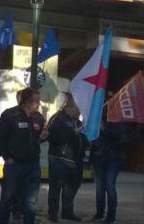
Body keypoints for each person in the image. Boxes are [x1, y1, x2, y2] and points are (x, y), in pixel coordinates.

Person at [0, 88, 46, 224]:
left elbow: (38, 138)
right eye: (36, 101)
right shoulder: (10, 115)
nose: (39, 104)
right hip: (14, 164)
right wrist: (7, 157)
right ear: (28, 101)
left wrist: (44, 137)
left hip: (33, 164)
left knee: (31, 200)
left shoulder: (38, 117)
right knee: (7, 197)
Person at [45, 93, 87, 222]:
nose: (80, 111)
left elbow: (82, 140)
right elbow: (50, 136)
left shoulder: (78, 122)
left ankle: (67, 212)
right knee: (56, 187)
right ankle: (53, 213)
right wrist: (72, 133)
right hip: (59, 159)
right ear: (71, 107)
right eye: (78, 108)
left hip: (76, 160)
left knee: (71, 187)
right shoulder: (58, 118)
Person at [92, 113, 128, 224]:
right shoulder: (97, 117)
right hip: (99, 155)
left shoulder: (117, 120)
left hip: (114, 157)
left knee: (109, 184)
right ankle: (99, 213)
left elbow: (119, 136)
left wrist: (104, 129)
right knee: (100, 186)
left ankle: (111, 216)